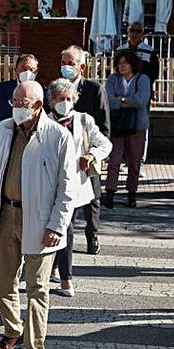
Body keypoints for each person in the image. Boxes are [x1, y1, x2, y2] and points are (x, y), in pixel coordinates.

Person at [0, 80, 77, 349]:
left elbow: (67, 189)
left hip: (40, 221)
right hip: (5, 214)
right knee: (3, 283)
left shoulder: (58, 137)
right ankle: (13, 330)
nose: (15, 108)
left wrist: (57, 225)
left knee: (37, 289)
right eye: (13, 102)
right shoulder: (4, 129)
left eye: (21, 104)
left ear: (37, 106)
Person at [47, 79, 112, 296]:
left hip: (74, 185)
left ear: (74, 99)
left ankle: (66, 279)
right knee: (58, 227)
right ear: (51, 101)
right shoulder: (43, 122)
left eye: (68, 99)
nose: (64, 103)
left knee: (66, 228)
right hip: (49, 186)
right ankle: (55, 268)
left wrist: (92, 155)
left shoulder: (84, 120)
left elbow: (105, 144)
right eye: (60, 99)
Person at [60, 45, 109, 253]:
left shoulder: (94, 89)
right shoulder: (57, 88)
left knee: (93, 196)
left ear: (81, 67)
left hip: (87, 151)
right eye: (63, 63)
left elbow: (104, 123)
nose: (66, 67)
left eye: (70, 64)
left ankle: (92, 234)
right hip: (63, 152)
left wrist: (99, 153)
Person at [104, 50, 151, 209]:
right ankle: (110, 191)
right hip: (117, 125)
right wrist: (126, 101)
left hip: (137, 125)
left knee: (134, 161)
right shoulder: (113, 79)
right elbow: (108, 100)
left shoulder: (142, 79)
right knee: (114, 160)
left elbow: (141, 100)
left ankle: (132, 193)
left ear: (132, 64)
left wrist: (121, 100)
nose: (122, 65)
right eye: (119, 62)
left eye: (125, 62)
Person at [116, 22, 160, 177]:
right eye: (131, 30)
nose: (134, 34)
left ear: (143, 34)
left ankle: (138, 163)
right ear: (127, 32)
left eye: (138, 31)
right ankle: (123, 160)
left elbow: (154, 74)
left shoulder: (150, 52)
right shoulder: (120, 50)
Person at [0, 54, 39, 147]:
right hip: (5, 143)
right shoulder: (1, 90)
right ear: (16, 71)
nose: (27, 72)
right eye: (23, 68)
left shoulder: (42, 93)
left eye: (31, 70)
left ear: (36, 72)